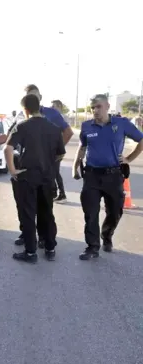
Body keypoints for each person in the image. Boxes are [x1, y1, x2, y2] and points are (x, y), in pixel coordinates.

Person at [0, 84, 74, 247]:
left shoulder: (52, 114)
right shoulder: (20, 117)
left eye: (33, 94)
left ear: (40, 97)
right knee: (23, 204)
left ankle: (44, 238)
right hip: (22, 165)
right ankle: (26, 234)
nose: (31, 96)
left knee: (44, 207)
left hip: (44, 167)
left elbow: (68, 133)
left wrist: (52, 157)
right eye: (28, 94)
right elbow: (7, 138)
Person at [72, 94, 143, 260]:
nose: (95, 110)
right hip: (91, 175)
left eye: (98, 106)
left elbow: (141, 140)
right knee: (90, 213)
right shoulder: (86, 126)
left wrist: (128, 159)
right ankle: (92, 247)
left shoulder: (121, 123)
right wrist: (75, 167)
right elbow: (82, 148)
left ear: (107, 106)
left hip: (113, 175)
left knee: (115, 211)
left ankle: (107, 235)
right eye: (92, 108)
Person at [4, 94, 65, 263]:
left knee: (29, 214)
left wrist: (13, 170)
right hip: (47, 177)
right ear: (39, 106)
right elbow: (60, 154)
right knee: (47, 213)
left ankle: (30, 253)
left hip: (27, 177)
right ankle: (50, 248)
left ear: (25, 109)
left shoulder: (22, 126)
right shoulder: (53, 128)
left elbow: (7, 149)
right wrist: (49, 164)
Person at [50, 100, 67, 202]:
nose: (52, 108)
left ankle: (61, 194)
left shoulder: (58, 118)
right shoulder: (55, 117)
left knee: (55, 172)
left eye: (54, 106)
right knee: (54, 172)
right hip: (54, 149)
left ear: (59, 107)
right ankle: (56, 193)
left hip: (57, 150)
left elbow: (66, 133)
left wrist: (60, 149)